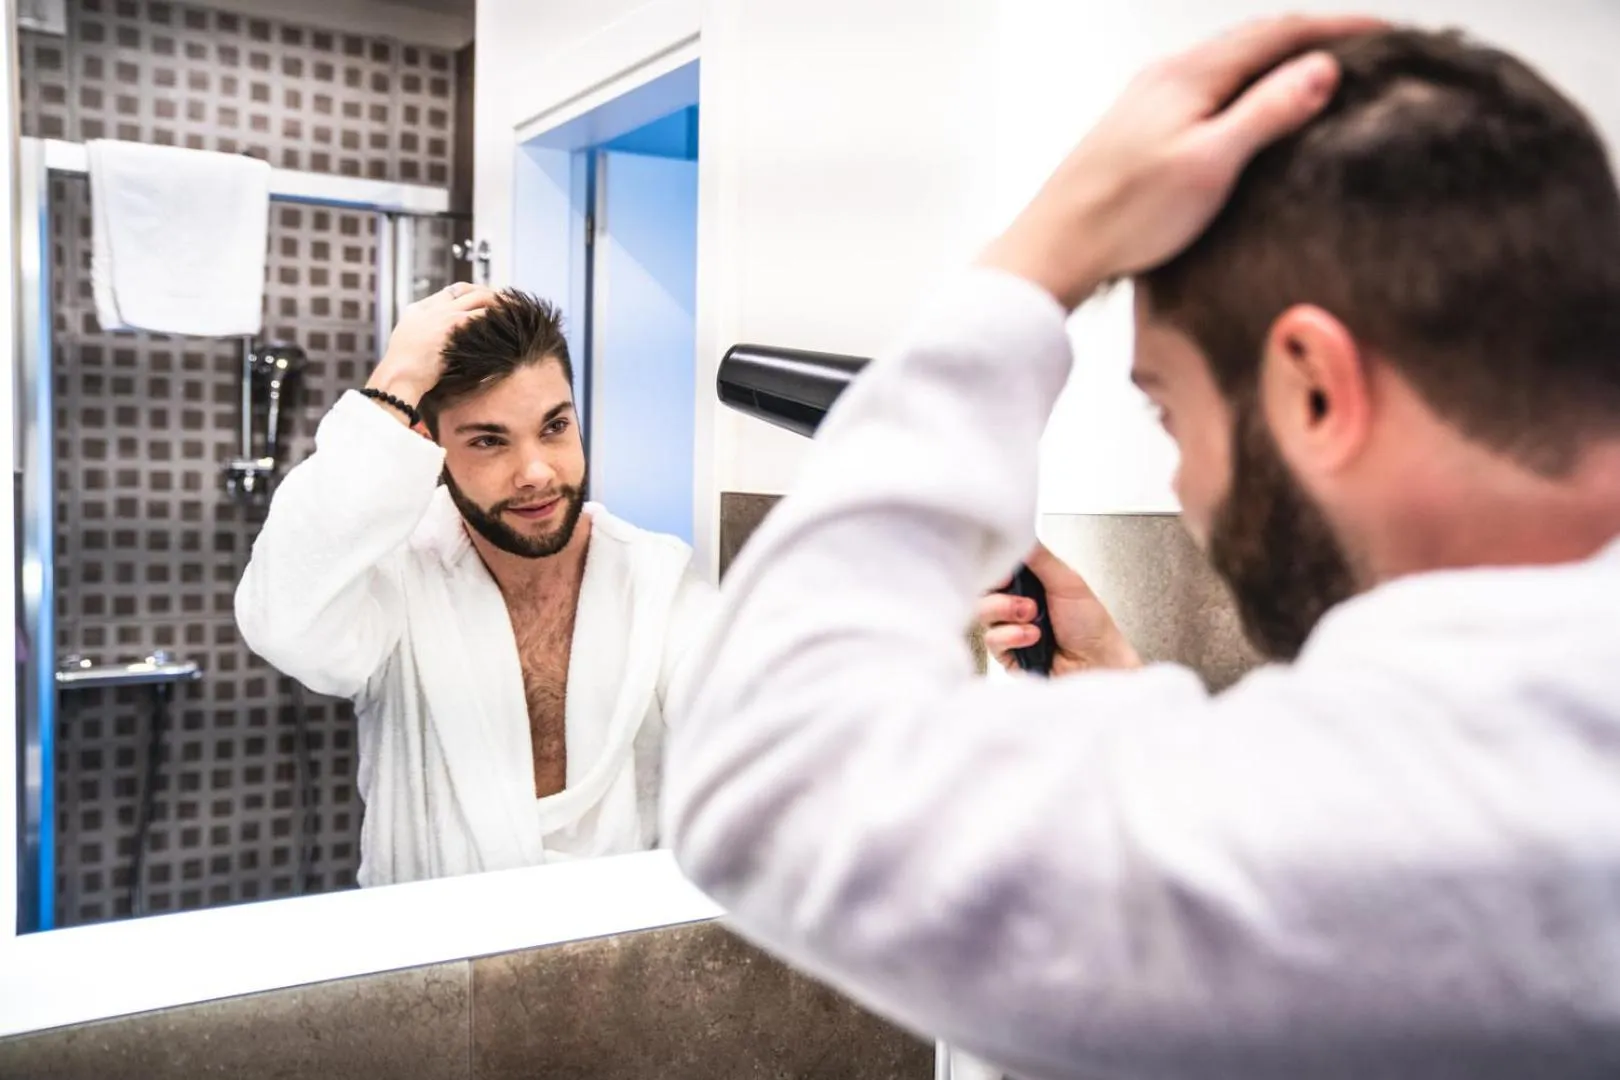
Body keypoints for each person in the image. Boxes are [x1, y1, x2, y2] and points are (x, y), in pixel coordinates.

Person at [662, 16, 1620, 1080]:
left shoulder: (1411, 816)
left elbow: (767, 773)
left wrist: (1042, 254)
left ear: (1313, 387)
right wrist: (1129, 697)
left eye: (1167, 412)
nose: (1181, 485)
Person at [237, 285, 715, 887]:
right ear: (427, 442)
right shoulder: (397, 582)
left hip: (616, 965)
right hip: (435, 965)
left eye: (555, 427)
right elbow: (283, 622)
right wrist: (398, 378)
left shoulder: (655, 581)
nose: (537, 472)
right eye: (490, 441)